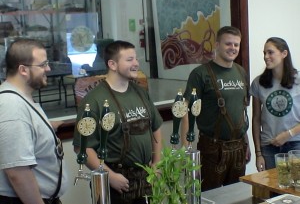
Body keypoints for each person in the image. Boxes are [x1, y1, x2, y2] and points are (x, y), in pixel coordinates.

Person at [73, 40, 163, 204]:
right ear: (112, 64)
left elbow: (155, 128)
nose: (136, 63)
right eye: (129, 60)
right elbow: (82, 148)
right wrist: (110, 176)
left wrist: (157, 163)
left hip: (145, 178)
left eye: (136, 59)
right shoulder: (94, 101)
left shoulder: (141, 93)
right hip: (115, 183)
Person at [181, 26, 251, 191]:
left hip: (239, 148)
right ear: (217, 45)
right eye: (228, 44)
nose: (233, 48)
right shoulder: (200, 74)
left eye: (236, 45)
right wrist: (187, 151)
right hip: (211, 149)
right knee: (208, 197)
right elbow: (184, 111)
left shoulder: (241, 72)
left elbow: (240, 110)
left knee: (236, 197)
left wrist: (246, 143)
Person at [0, 38, 68, 204]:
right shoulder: (11, 106)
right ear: (23, 69)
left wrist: (46, 128)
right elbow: (18, 172)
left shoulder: (21, 99)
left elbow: (23, 130)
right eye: (43, 64)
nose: (48, 68)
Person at [251, 37, 300, 171]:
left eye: (270, 52)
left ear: (284, 54)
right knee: (272, 190)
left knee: (294, 189)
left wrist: (287, 134)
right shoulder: (258, 83)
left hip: (296, 144)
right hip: (269, 147)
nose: (266, 57)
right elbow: (256, 119)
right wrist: (258, 154)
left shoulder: (298, 80)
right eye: (264, 53)